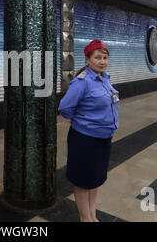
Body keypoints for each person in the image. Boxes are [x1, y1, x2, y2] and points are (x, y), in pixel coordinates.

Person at [58, 39, 119, 222]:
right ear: (87, 60)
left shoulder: (105, 79)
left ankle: (92, 216)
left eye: (105, 57)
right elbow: (64, 107)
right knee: (83, 181)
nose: (102, 61)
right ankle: (85, 219)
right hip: (85, 139)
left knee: (94, 179)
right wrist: (78, 119)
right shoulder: (82, 82)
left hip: (103, 139)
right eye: (98, 57)